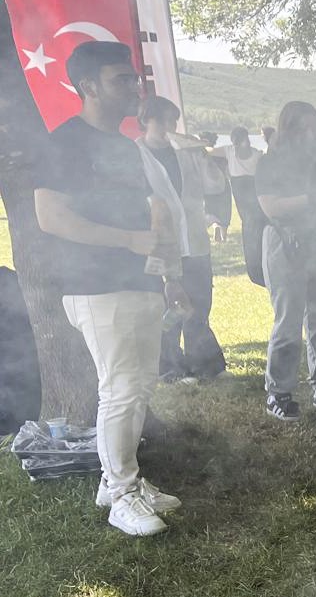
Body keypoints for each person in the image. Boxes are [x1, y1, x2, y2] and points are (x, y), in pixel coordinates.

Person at [33, 41, 190, 536]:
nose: (132, 87)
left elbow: (150, 213)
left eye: (132, 78)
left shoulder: (125, 146)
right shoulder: (64, 143)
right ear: (89, 87)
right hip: (95, 285)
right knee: (119, 390)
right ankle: (121, 495)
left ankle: (120, 480)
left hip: (137, 281)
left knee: (139, 385)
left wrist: (166, 271)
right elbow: (50, 216)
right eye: (120, 80)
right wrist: (129, 241)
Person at [256, 101, 316, 421]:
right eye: (303, 128)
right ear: (288, 129)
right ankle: (278, 391)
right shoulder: (271, 163)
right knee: (289, 320)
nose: (310, 135)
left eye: (315, 128)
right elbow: (271, 207)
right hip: (283, 244)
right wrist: (314, 197)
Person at [135, 95, 228, 383]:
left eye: (173, 120)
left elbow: (216, 185)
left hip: (196, 244)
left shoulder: (186, 153)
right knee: (168, 307)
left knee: (199, 305)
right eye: (162, 119)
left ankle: (204, 365)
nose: (169, 126)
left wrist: (202, 154)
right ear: (145, 120)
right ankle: (169, 367)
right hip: (160, 243)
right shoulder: (135, 155)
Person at [218, 126, 266, 285]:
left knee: (259, 235)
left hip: (259, 209)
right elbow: (208, 151)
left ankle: (261, 271)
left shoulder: (258, 156)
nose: (243, 145)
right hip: (245, 212)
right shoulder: (229, 152)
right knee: (251, 236)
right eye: (239, 142)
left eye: (244, 141)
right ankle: (256, 273)